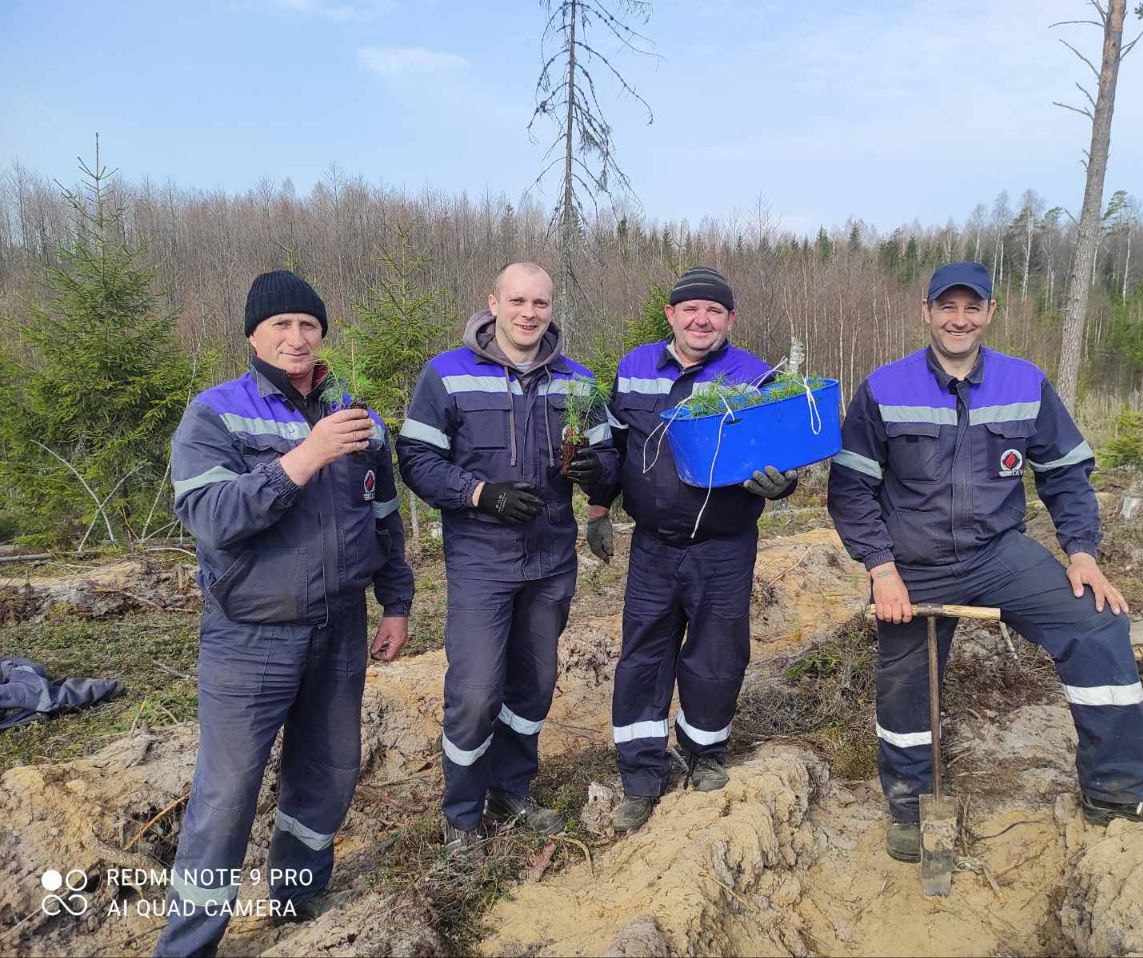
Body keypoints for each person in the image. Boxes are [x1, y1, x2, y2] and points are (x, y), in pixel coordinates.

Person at [827, 261, 1143, 863]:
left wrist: (1081, 552)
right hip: (914, 561)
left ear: (989, 313)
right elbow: (851, 489)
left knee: (1097, 624)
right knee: (904, 683)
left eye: (971, 308)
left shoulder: (1025, 382)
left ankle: (1114, 789)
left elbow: (1065, 475)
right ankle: (910, 805)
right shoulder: (883, 387)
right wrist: (881, 569)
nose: (959, 320)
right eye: (947, 308)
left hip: (998, 555)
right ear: (925, 311)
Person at [157, 270, 414, 956]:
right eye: (280, 326)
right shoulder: (214, 413)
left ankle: (297, 899)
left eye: (308, 324)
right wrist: (306, 456)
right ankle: (189, 943)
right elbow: (211, 517)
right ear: (253, 335)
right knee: (227, 794)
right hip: (250, 634)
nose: (296, 338)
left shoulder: (360, 417)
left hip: (340, 628)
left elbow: (383, 515)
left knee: (328, 771)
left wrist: (396, 602)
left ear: (322, 332)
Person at [397, 262, 619, 851]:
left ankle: (512, 789)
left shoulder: (578, 381)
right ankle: (462, 814)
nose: (528, 313)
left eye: (540, 303)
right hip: (481, 561)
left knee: (535, 685)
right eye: (517, 301)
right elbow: (416, 457)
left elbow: (610, 457)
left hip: (550, 562)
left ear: (552, 308)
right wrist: (479, 493)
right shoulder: (446, 375)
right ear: (492, 302)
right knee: (475, 691)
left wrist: (599, 473)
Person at [586, 265, 798, 834]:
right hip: (653, 545)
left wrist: (787, 485)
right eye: (690, 308)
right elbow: (616, 446)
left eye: (714, 310)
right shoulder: (634, 368)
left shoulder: (755, 376)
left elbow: (783, 448)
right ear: (671, 316)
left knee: (717, 654)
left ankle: (705, 752)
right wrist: (600, 508)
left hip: (724, 547)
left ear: (730, 319)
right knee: (643, 655)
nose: (701, 318)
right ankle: (640, 773)